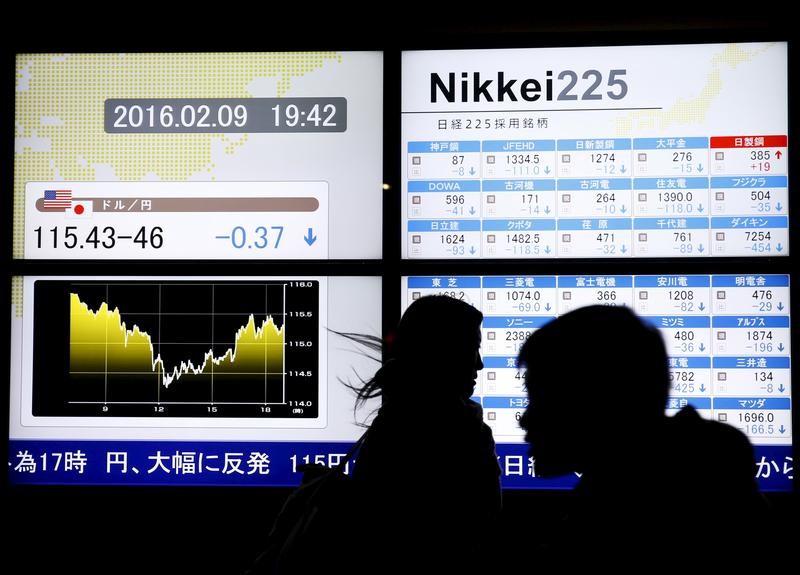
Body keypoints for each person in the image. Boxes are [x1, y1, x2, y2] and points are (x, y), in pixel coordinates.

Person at [516, 305, 769, 568]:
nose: (526, 419)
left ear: (600, 400)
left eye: (542, 397)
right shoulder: (712, 481)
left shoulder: (611, 516)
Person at [345, 295, 502, 572]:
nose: (479, 364)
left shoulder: (392, 421)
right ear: (441, 353)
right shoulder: (463, 431)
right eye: (471, 349)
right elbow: (479, 529)